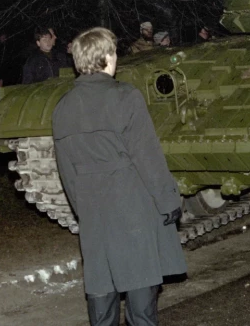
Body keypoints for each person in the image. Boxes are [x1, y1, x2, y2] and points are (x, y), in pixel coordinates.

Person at [51, 27, 186, 325]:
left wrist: (83, 207)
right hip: (131, 203)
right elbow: (146, 155)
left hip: (93, 209)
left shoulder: (63, 107)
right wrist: (167, 200)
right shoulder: (125, 96)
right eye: (113, 52)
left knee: (101, 285)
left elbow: (66, 170)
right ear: (107, 58)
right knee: (140, 288)